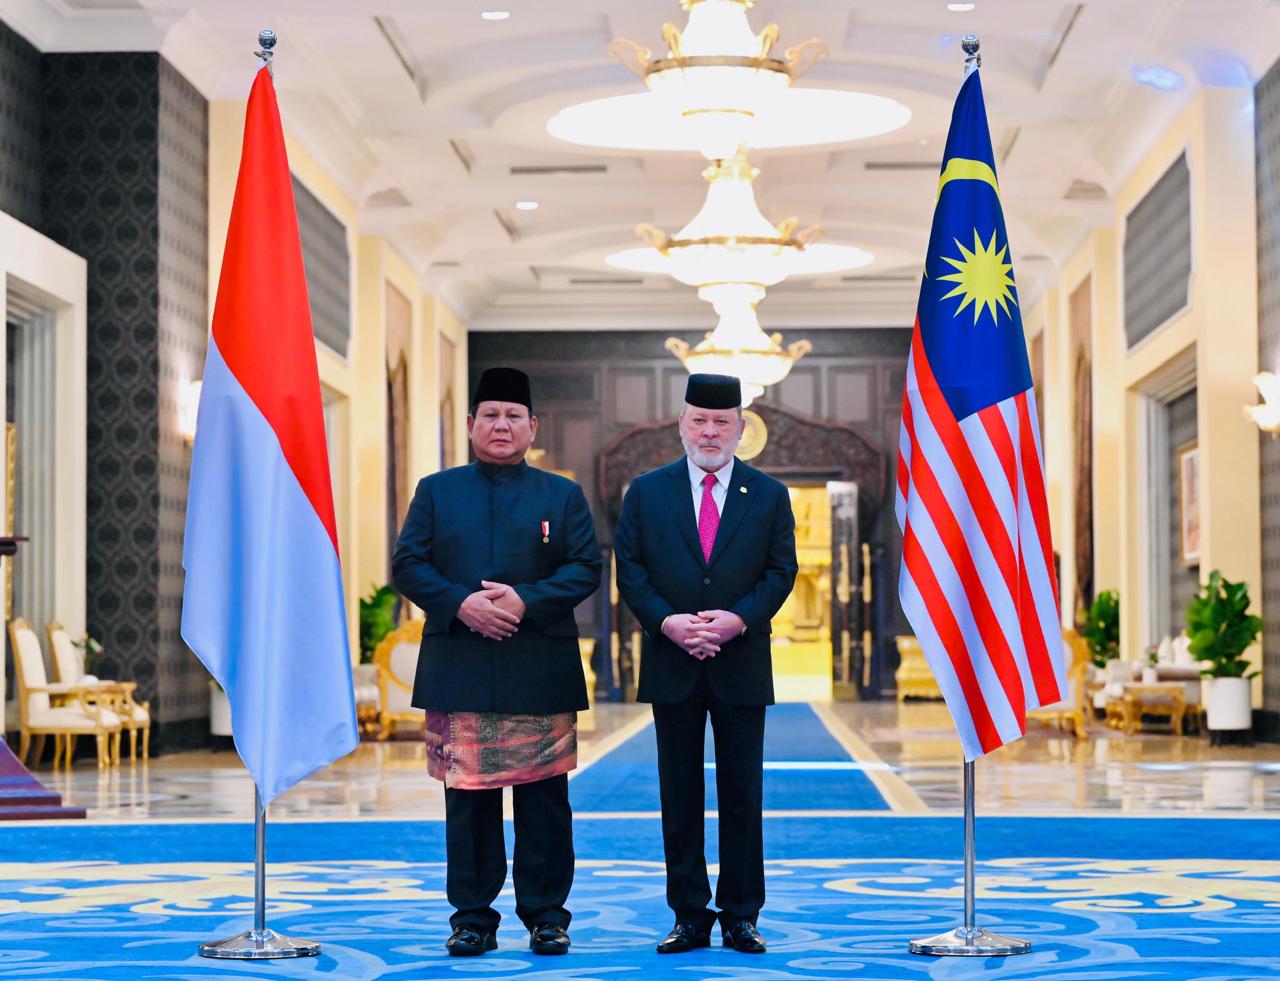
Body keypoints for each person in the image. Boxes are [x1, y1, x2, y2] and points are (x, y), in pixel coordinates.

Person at [391, 366, 601, 958]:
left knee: (544, 802)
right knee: (469, 799)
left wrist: (522, 601)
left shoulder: (562, 495)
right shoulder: (437, 490)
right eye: (490, 415)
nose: (501, 425)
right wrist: (462, 605)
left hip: (539, 665)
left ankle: (547, 917)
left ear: (532, 427)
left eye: (513, 416)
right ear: (469, 425)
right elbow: (408, 564)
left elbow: (585, 567)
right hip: (460, 663)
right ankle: (472, 919)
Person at [613, 373, 798, 955]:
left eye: (722, 422)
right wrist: (668, 622)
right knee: (679, 792)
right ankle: (689, 914)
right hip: (672, 661)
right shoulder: (647, 491)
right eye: (699, 420)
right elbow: (631, 569)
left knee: (743, 792)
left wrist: (736, 620)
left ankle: (742, 913)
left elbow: (780, 571)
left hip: (740, 661)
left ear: (742, 429)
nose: (710, 431)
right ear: (682, 425)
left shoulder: (768, 495)